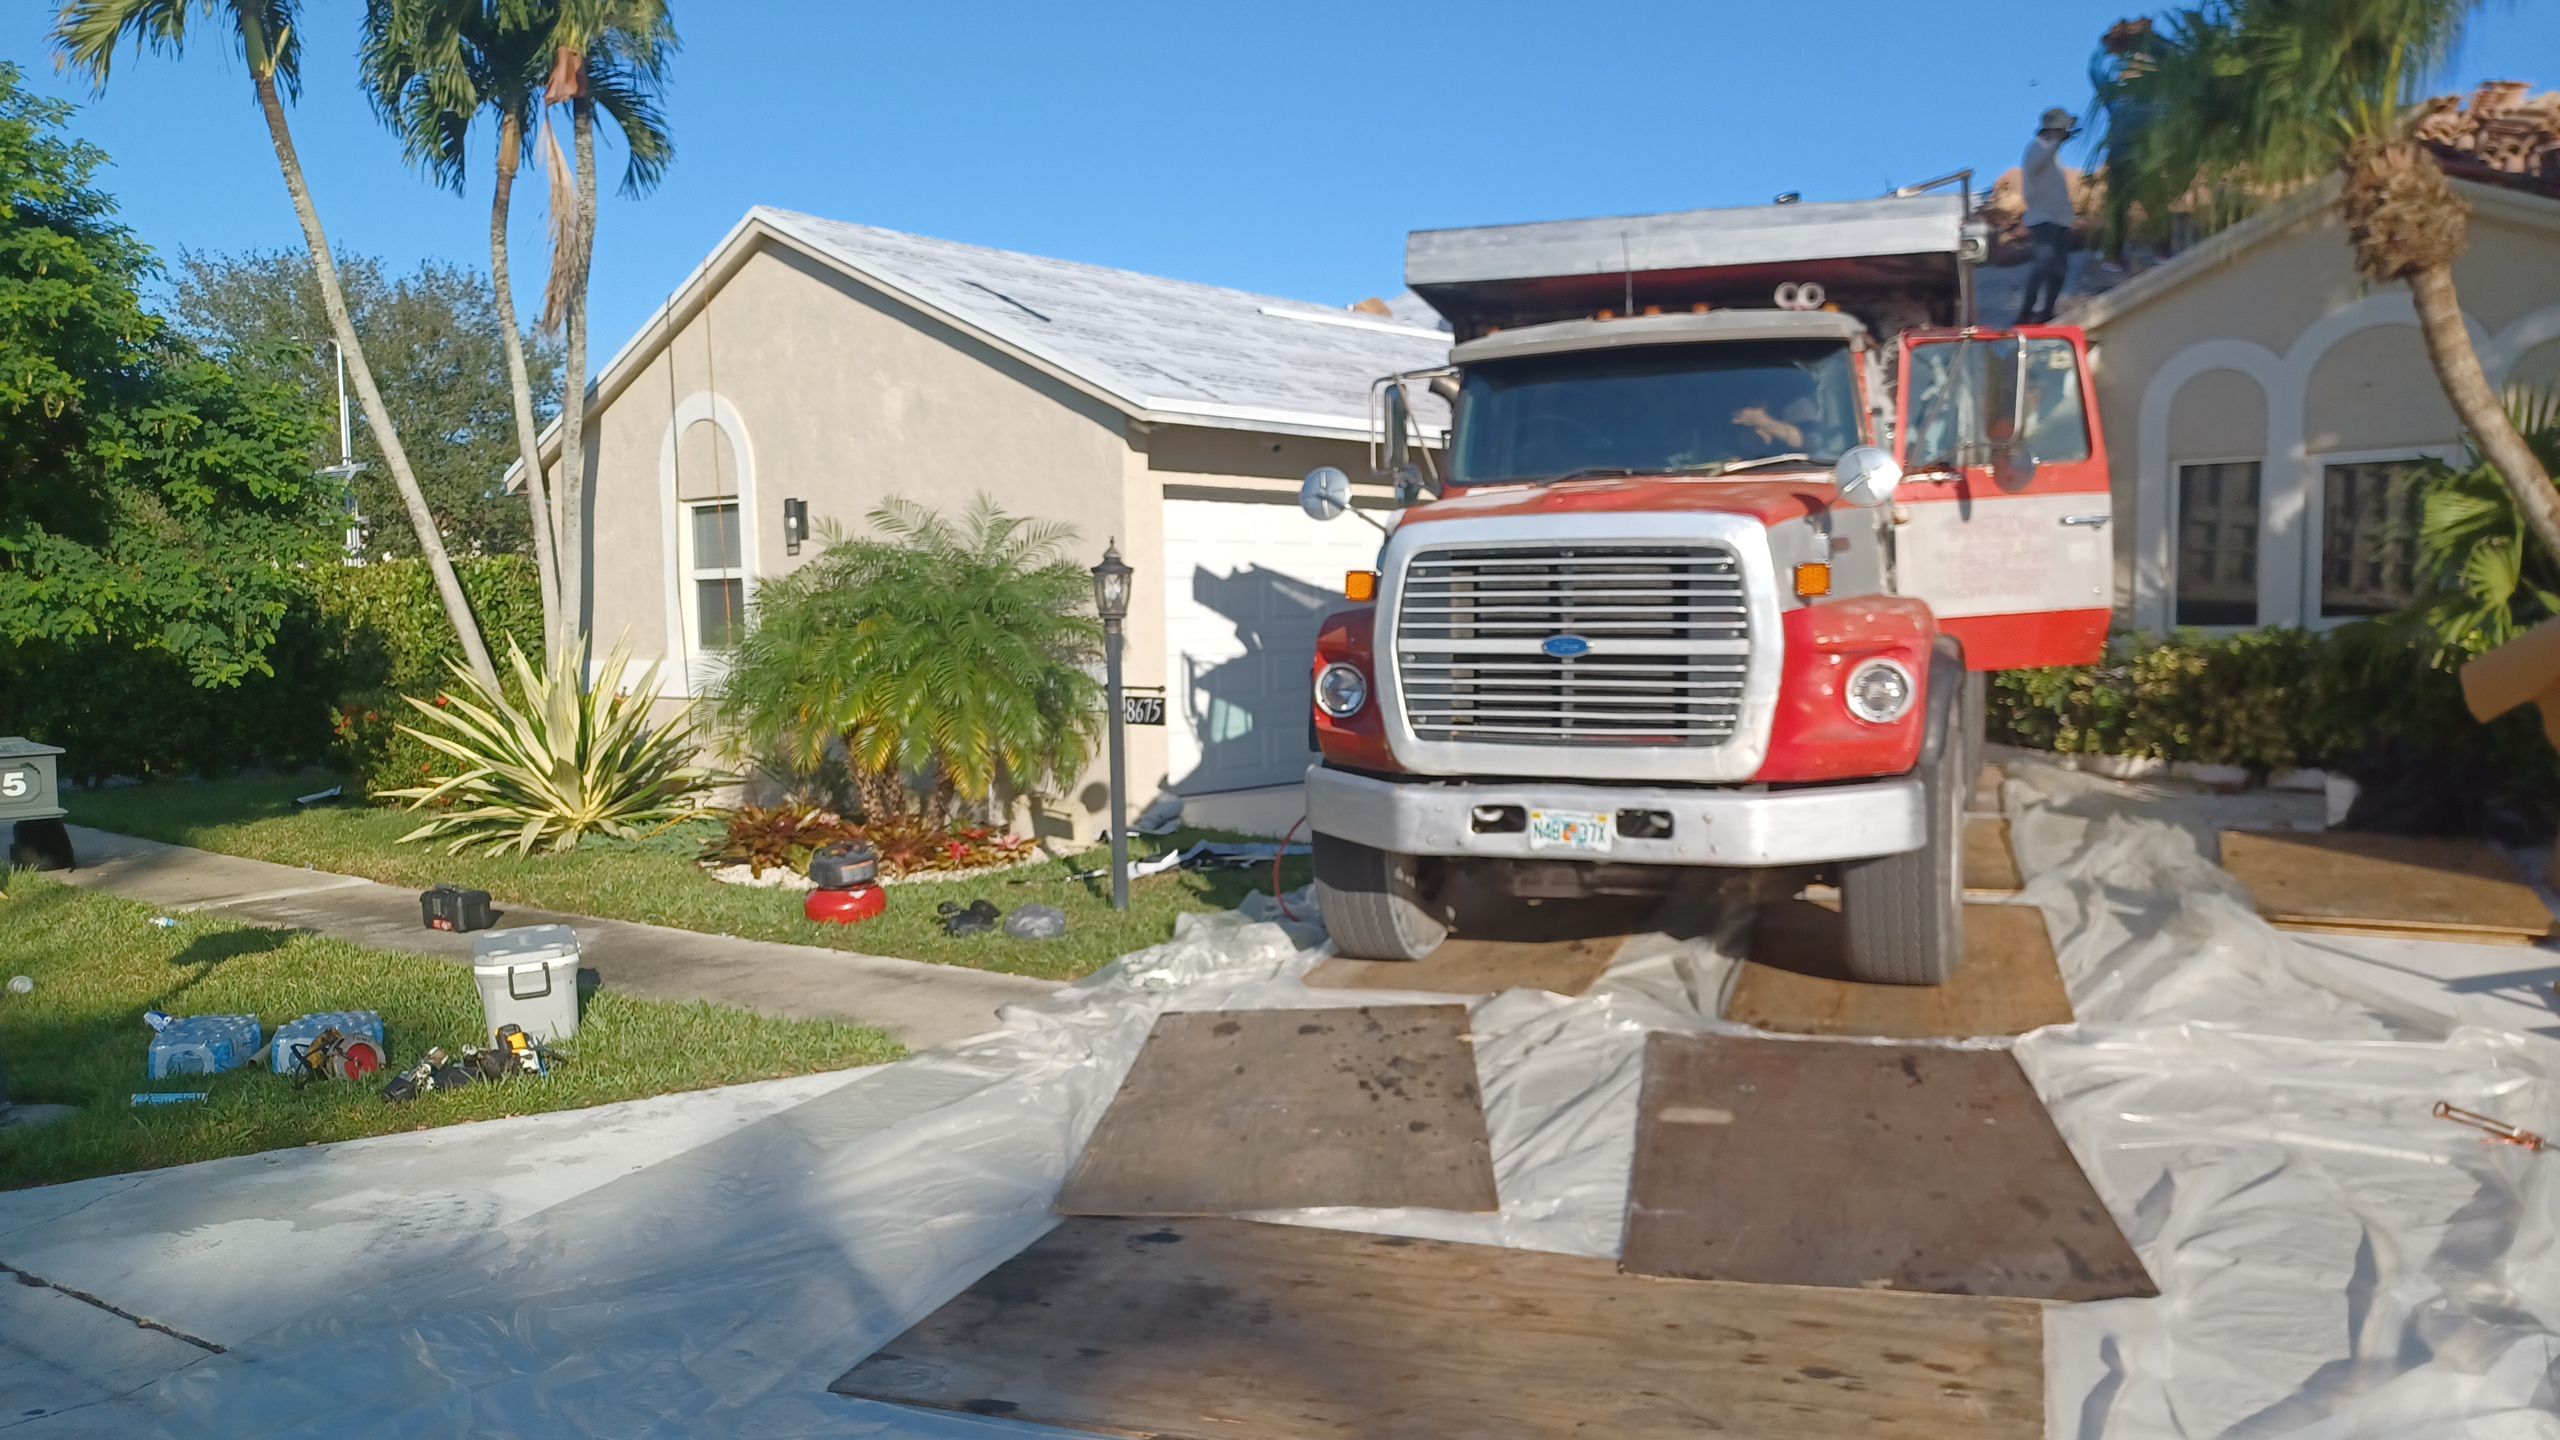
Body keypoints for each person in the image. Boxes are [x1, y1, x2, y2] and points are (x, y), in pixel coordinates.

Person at [2017, 108, 2078, 325]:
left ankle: (2047, 310)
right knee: (2043, 264)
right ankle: (2026, 311)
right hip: (2042, 218)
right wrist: (2056, 142)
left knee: (2059, 269)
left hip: (2060, 218)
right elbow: (2035, 165)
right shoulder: (2036, 148)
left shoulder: (2055, 156)